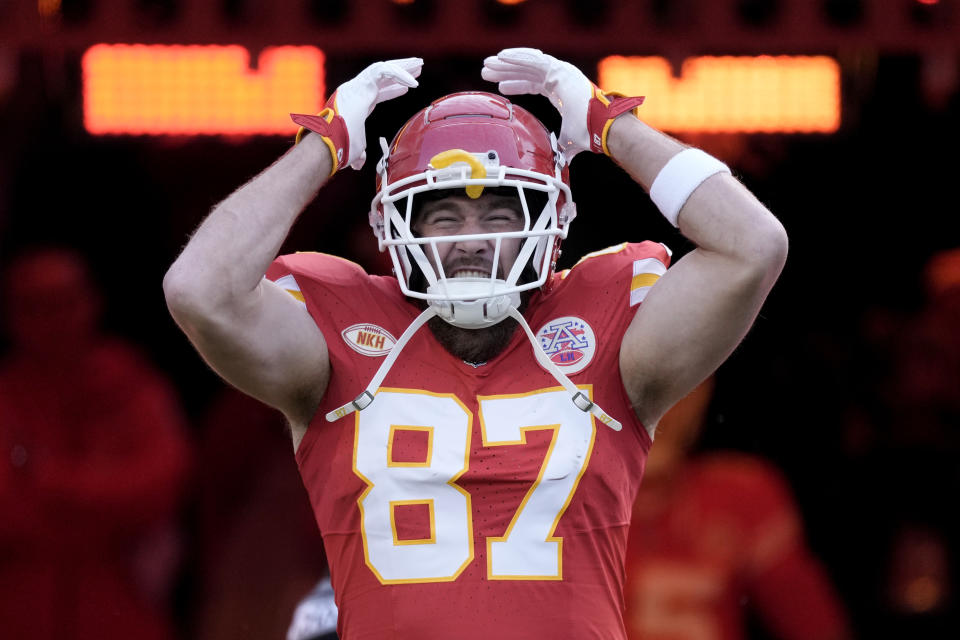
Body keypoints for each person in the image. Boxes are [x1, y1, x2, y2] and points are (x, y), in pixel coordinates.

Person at [163, 48, 788, 639]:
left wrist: (607, 122)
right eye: (444, 216)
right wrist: (321, 147)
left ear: (549, 223)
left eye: (500, 215)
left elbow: (752, 246)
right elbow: (198, 288)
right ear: (395, 223)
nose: (471, 239)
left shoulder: (607, 333)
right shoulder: (337, 338)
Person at [0, 247, 192, 640]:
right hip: (20, 604)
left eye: (64, 303)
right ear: (11, 316)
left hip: (119, 601)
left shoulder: (132, 386)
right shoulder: (6, 396)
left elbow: (161, 483)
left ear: (92, 301)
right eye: (36, 307)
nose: (53, 321)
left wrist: (50, 478)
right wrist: (97, 496)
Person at [623, 377, 851, 640]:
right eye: (632, 384)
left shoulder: (739, 496)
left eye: (684, 383)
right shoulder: (567, 503)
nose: (660, 409)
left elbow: (815, 626)